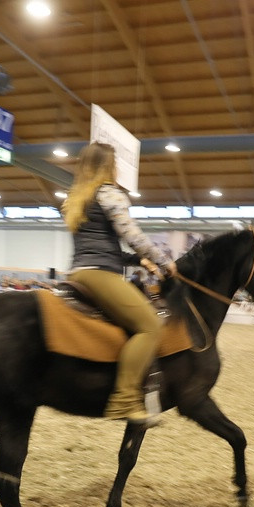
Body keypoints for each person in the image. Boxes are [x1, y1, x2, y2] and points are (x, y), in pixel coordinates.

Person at [61, 142, 177, 425]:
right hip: (101, 275)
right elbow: (133, 236)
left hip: (79, 272)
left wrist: (138, 262)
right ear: (107, 165)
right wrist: (163, 260)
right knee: (150, 325)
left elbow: (101, 246)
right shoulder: (109, 194)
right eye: (114, 163)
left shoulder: (73, 200)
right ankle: (125, 400)